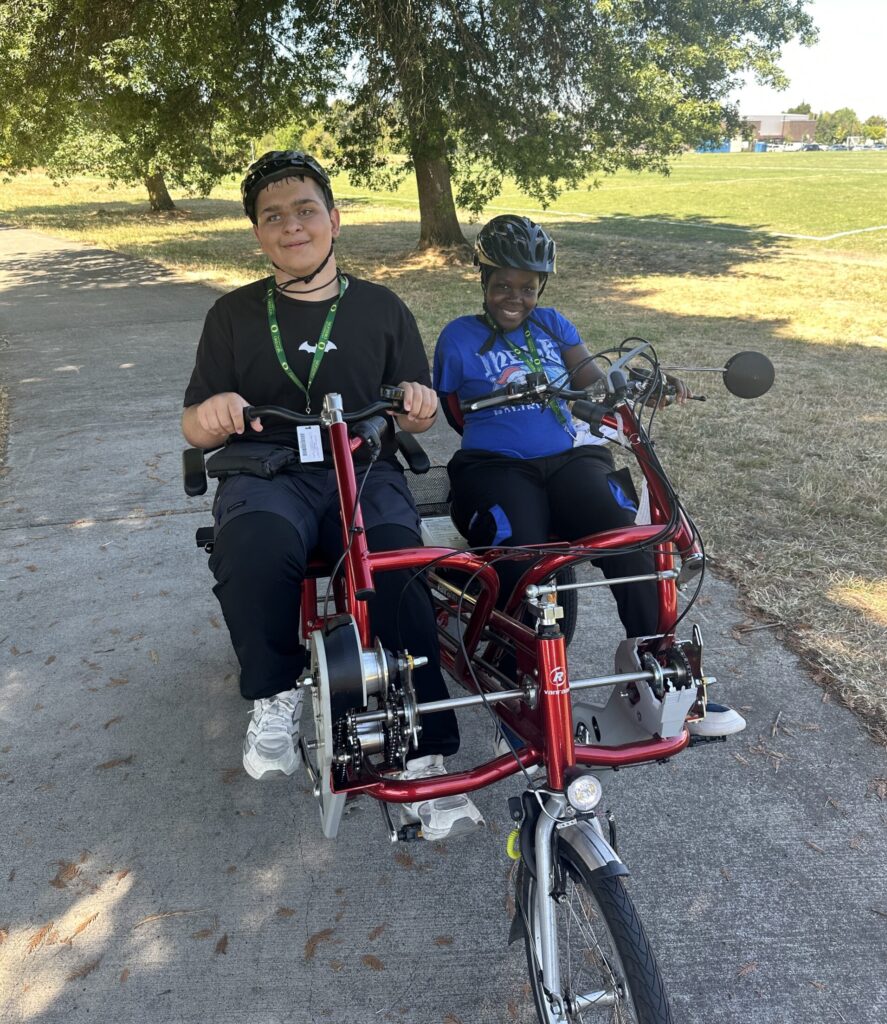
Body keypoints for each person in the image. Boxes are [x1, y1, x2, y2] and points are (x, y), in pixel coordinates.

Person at [182, 151, 483, 838]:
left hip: (363, 465)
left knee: (399, 563)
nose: (291, 226)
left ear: (334, 220)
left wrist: (415, 404)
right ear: (258, 235)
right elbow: (193, 421)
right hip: (267, 470)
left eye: (305, 210)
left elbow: (421, 408)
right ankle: (275, 693)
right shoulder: (231, 315)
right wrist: (217, 411)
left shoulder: (380, 306)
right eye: (272, 217)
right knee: (252, 545)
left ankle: (427, 749)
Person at [432, 214, 745, 740]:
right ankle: (514, 681)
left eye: (527, 287)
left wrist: (637, 386)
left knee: (627, 536)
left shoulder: (554, 324)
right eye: (502, 284)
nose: (515, 296)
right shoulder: (458, 338)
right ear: (482, 281)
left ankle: (666, 674)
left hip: (569, 460)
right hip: (494, 466)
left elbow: (592, 381)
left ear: (541, 288)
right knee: (521, 548)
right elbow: (453, 413)